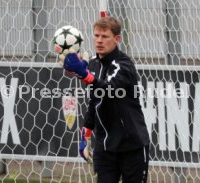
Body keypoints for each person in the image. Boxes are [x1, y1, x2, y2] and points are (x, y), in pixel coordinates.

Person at [60, 16, 150, 183]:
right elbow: (95, 100)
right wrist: (86, 133)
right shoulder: (92, 63)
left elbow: (108, 90)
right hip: (105, 146)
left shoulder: (124, 65)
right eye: (96, 36)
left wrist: (86, 76)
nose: (99, 40)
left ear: (116, 39)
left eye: (105, 36)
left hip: (132, 146)